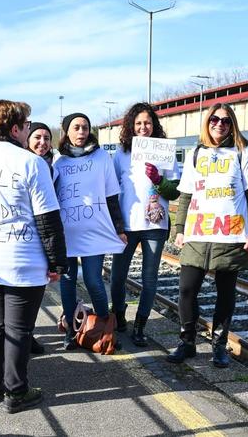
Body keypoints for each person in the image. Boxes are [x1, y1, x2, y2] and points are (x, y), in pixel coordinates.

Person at [0, 100, 67, 414]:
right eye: (26, 125)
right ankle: (16, 392)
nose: (28, 131)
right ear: (16, 128)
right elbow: (47, 219)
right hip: (20, 256)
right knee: (19, 329)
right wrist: (57, 261)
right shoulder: (31, 163)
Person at [167, 103, 248, 368]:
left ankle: (219, 345)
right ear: (207, 123)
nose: (219, 124)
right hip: (198, 232)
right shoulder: (196, 153)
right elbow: (186, 195)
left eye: (225, 121)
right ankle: (187, 342)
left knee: (225, 292)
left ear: (232, 125)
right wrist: (179, 229)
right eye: (214, 120)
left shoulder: (244, 153)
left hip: (231, 234)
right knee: (187, 289)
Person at [53, 113, 126, 350]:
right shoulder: (58, 161)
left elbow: (111, 194)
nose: (82, 132)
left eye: (85, 127)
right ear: (67, 132)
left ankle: (105, 327)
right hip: (67, 233)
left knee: (94, 280)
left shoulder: (101, 157)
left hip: (93, 231)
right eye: (76, 127)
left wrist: (119, 227)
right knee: (67, 280)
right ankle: (70, 331)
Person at [109, 103, 180, 346]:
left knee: (149, 279)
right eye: (138, 123)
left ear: (154, 125)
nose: (143, 127)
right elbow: (112, 186)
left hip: (155, 224)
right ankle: (119, 316)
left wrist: (158, 179)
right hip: (127, 224)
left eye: (147, 123)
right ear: (131, 125)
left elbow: (174, 192)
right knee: (118, 276)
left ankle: (140, 325)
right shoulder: (121, 152)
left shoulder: (165, 151)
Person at [22, 121, 58, 355]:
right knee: (22, 290)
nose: (42, 143)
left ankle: (28, 332)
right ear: (27, 139)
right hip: (24, 233)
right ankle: (21, 335)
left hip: (44, 233)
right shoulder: (21, 162)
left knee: (38, 288)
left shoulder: (53, 167)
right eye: (37, 137)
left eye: (46, 138)